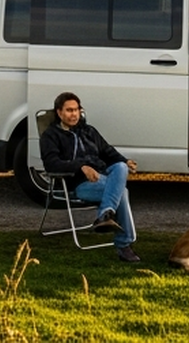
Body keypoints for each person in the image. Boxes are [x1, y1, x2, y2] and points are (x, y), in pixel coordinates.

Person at [40, 92, 141, 262]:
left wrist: (126, 161)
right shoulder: (51, 136)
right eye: (69, 110)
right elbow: (52, 164)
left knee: (120, 167)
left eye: (76, 110)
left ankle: (105, 214)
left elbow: (108, 152)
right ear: (59, 113)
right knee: (121, 193)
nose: (74, 114)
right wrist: (81, 166)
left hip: (103, 176)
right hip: (78, 183)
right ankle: (123, 244)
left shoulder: (89, 131)